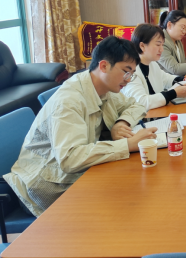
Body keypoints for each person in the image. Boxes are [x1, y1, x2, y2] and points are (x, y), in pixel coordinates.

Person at [3, 36, 157, 217]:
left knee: (138, 186)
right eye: (126, 72)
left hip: (75, 175)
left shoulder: (103, 87)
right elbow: (70, 159)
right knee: (128, 201)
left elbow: (137, 105)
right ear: (104, 66)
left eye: (131, 74)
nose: (128, 80)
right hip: (44, 188)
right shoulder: (69, 101)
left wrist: (120, 123)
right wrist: (127, 145)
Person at [123, 23, 186, 111]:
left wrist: (184, 80)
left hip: (156, 112)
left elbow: (165, 78)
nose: (162, 49)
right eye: (158, 45)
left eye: (162, 45)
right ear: (142, 46)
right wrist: (174, 93)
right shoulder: (131, 71)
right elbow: (141, 102)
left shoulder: (152, 63)